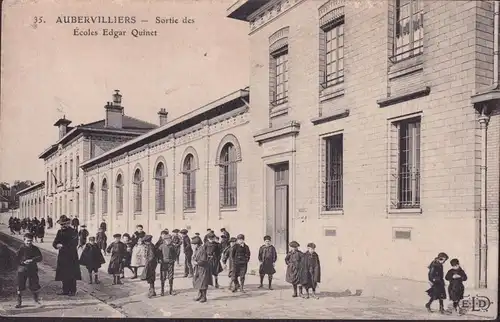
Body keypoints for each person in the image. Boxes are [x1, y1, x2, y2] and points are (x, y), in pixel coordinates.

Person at [53, 215, 81, 296]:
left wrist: (63, 246)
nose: (62, 226)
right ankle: (65, 290)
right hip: (62, 256)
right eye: (61, 224)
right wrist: (56, 245)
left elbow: (74, 244)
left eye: (64, 224)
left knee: (71, 273)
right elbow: (55, 242)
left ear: (68, 223)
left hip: (71, 256)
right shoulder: (59, 232)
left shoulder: (74, 232)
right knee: (63, 273)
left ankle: (72, 291)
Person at [15, 233, 43, 308]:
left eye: (30, 241)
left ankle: (36, 301)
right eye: (27, 241)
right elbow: (16, 258)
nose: (29, 242)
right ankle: (19, 302)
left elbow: (40, 257)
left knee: (34, 285)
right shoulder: (21, 248)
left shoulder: (35, 248)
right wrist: (23, 262)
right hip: (22, 269)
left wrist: (32, 260)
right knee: (20, 285)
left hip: (32, 269)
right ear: (24, 240)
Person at [191, 235, 212, 303]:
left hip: (203, 268)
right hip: (199, 268)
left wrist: (197, 263)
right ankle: (200, 295)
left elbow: (203, 260)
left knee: (203, 282)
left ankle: (204, 297)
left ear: (197, 244)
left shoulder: (202, 249)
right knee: (199, 282)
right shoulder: (197, 249)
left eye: (194, 244)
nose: (193, 246)